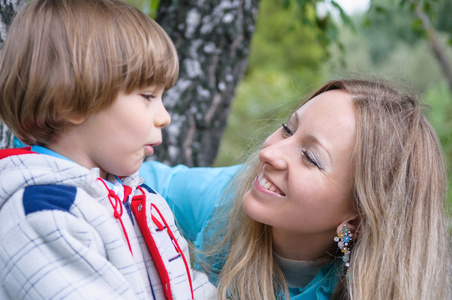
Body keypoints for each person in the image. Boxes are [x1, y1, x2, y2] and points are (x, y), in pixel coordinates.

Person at [140, 77, 452, 299]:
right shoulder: (228, 198)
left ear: (355, 223)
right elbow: (136, 178)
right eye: (288, 128)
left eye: (310, 158)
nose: (269, 153)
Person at [0, 0, 216, 299]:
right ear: (71, 103)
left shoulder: (140, 200)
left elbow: (183, 289)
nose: (164, 116)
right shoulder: (45, 216)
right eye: (147, 95)